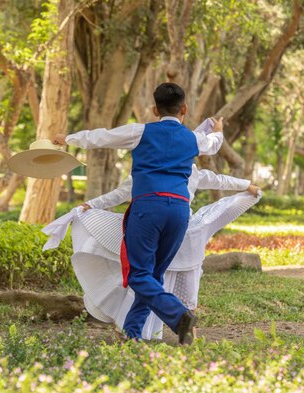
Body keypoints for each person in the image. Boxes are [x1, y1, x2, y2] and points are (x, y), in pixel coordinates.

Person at [52, 83, 223, 344]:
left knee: (138, 275)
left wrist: (67, 139)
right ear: (184, 109)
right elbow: (212, 144)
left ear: (155, 109)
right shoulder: (193, 139)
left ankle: (179, 316)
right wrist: (218, 132)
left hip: (148, 208)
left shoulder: (140, 132)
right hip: (179, 211)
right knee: (152, 276)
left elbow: (101, 137)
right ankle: (132, 335)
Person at [67, 165, 262, 340]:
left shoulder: (152, 167)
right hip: (181, 235)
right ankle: (146, 330)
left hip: (163, 233)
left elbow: (121, 193)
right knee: (156, 282)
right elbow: (217, 178)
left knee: (143, 280)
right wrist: (246, 185)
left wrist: (93, 204)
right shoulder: (185, 168)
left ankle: (146, 327)